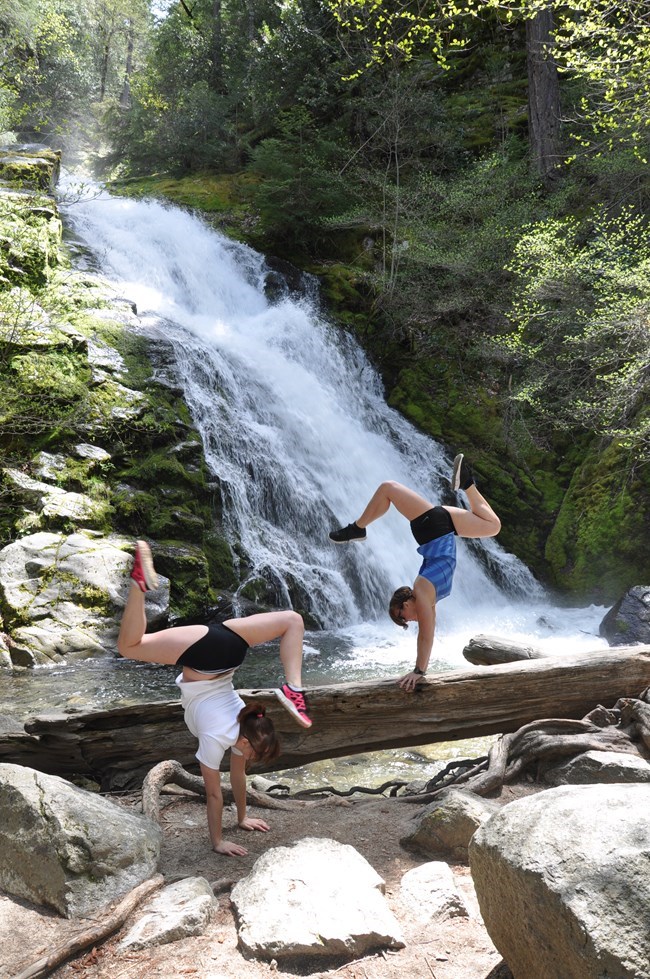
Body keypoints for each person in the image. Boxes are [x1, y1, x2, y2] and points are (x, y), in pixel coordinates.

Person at [117, 540, 312, 857]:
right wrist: (218, 842)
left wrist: (244, 817)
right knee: (130, 647)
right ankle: (139, 584)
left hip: (229, 646)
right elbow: (213, 795)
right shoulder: (217, 738)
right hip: (209, 660)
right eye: (255, 754)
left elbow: (237, 778)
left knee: (292, 620)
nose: (250, 760)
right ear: (248, 744)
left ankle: (294, 686)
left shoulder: (243, 724)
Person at [329, 454, 501, 693]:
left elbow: (425, 637)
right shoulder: (428, 598)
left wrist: (419, 672)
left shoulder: (421, 591)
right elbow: (429, 632)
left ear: (406, 601)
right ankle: (467, 483)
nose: (406, 620)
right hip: (446, 528)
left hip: (433, 529)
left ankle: (357, 528)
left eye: (402, 614)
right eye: (403, 622)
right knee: (493, 526)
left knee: (388, 487)